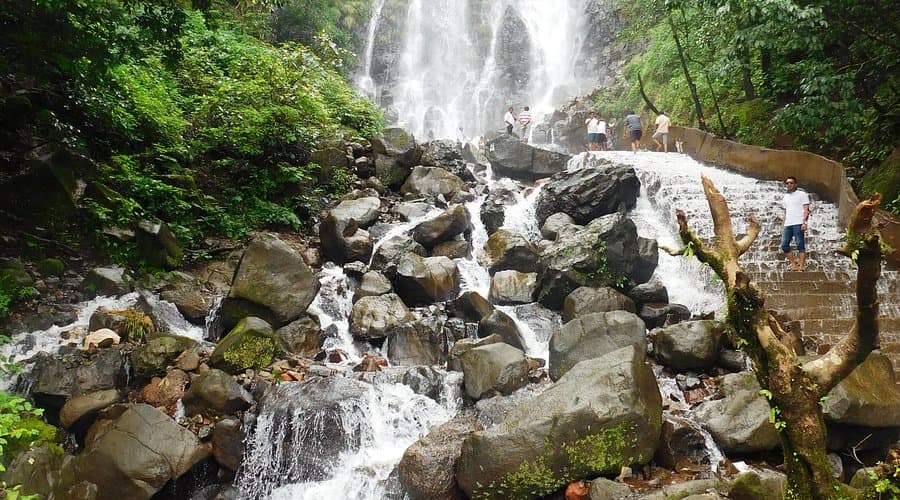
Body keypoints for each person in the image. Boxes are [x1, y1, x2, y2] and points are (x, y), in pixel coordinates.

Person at [781, 176, 811, 271]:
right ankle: (794, 264)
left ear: (795, 184)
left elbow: (806, 209)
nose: (789, 184)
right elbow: (786, 212)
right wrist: (783, 224)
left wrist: (804, 222)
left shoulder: (802, 194)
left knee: (800, 245)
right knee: (784, 245)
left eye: (791, 183)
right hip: (788, 224)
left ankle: (801, 266)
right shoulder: (785, 197)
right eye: (787, 183)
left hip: (798, 223)